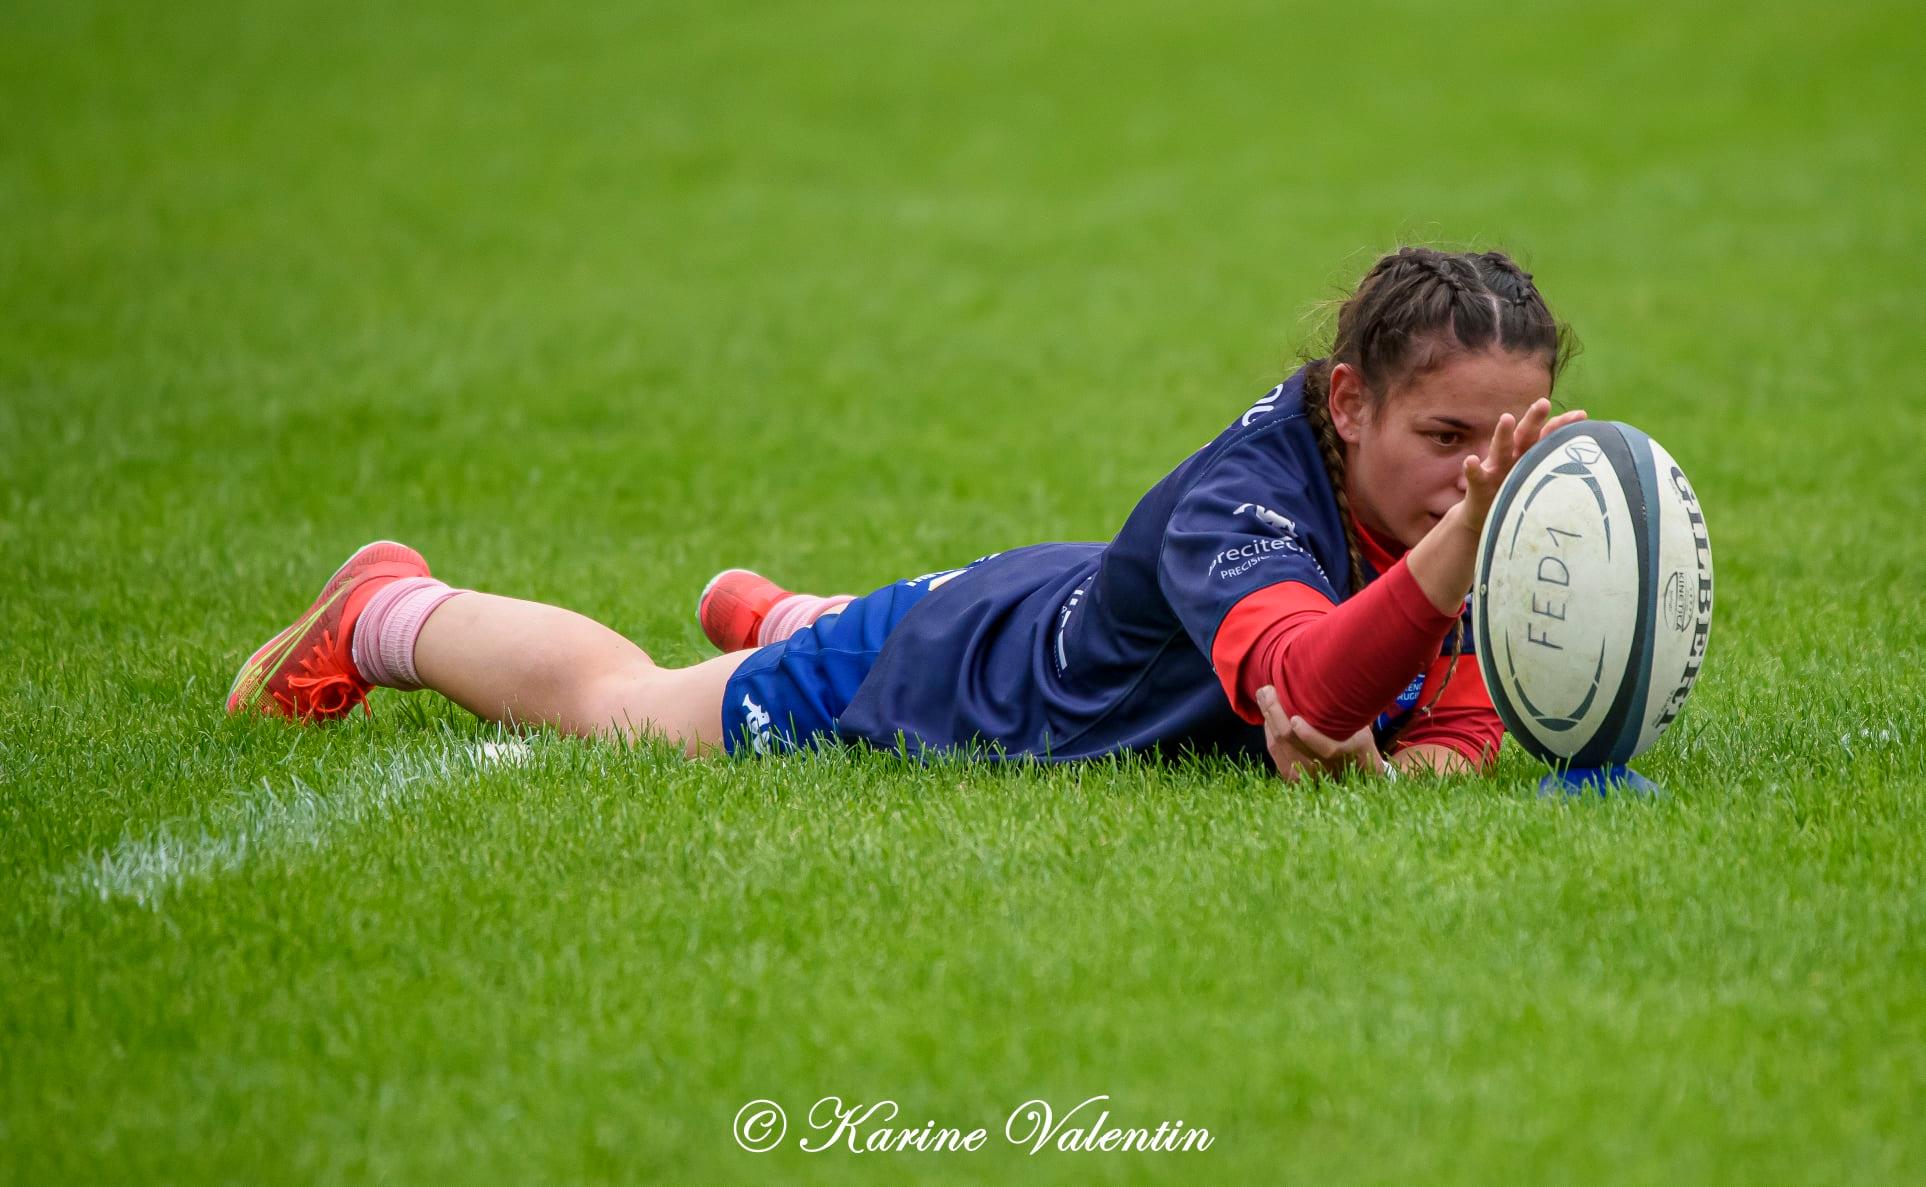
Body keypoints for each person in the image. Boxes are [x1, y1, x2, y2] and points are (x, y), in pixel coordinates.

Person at [226, 246, 1583, 782]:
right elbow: (1312, 686)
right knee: (629, 711)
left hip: (1058, 600)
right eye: (1442, 438)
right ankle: (391, 609)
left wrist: (1404, 770)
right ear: (1347, 403)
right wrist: (1452, 570)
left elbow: (1449, 724)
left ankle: (778, 612)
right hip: (943, 667)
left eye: (1493, 448)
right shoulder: (1247, 504)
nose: (1468, 477)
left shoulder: (1415, 518)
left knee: (869, 621)